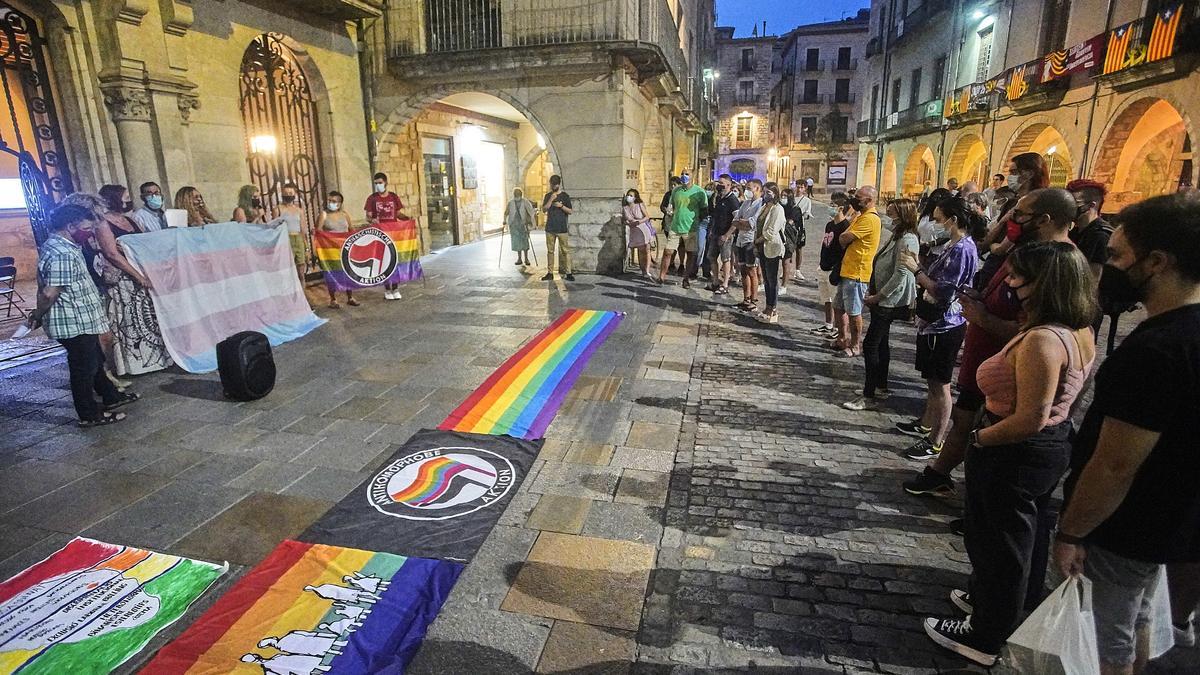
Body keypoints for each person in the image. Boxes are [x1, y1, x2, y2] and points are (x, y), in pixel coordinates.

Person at [925, 241, 1097, 667]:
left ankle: (985, 634)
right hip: (1040, 448)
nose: (1011, 286)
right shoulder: (1078, 330)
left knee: (1001, 546)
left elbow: (1031, 417)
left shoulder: (1043, 340)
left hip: (1014, 450)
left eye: (1018, 278)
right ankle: (997, 606)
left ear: (1044, 285)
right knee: (1024, 541)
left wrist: (980, 440)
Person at [1053, 192, 1200, 673]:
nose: (1107, 266)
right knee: (1137, 619)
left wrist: (1072, 531)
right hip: (1171, 517)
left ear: (1156, 261)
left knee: (1103, 637)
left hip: (1128, 523)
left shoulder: (1157, 349)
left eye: (1117, 256)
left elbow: (1115, 464)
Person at [903, 188, 1078, 499]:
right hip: (985, 357)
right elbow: (991, 251)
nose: (1011, 220)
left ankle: (962, 484)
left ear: (1045, 220)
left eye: (1019, 215)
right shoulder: (1023, 250)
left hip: (1009, 370)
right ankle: (943, 476)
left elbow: (1041, 332)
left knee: (977, 429)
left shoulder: (1055, 264)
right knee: (964, 417)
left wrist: (983, 318)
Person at [27, 204, 138, 427]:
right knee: (83, 368)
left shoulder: (66, 246)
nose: (89, 232)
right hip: (72, 321)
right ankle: (89, 414)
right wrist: (38, 315)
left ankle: (110, 396)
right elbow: (49, 293)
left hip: (81, 318)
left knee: (95, 360)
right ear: (70, 226)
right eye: (86, 228)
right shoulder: (62, 253)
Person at [896, 197, 980, 459]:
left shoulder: (963, 248)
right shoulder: (952, 244)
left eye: (938, 218)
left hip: (946, 323)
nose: (934, 223)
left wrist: (916, 270)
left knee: (941, 384)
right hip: (933, 322)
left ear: (953, 220)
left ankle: (936, 439)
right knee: (931, 381)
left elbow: (943, 290)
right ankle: (926, 422)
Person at [844, 198, 920, 411]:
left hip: (890, 300)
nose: (889, 217)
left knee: (871, 345)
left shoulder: (908, 239)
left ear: (902, 215)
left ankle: (869, 394)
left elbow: (901, 273)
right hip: (883, 297)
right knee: (882, 343)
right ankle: (880, 385)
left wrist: (879, 296)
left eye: (893, 213)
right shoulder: (898, 235)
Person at [95, 184, 169, 376]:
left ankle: (156, 359)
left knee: (147, 319)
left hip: (141, 275)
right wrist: (138, 276)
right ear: (114, 199)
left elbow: (144, 244)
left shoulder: (130, 220)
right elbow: (112, 253)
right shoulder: (103, 223)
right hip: (123, 280)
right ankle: (134, 363)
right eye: (125, 196)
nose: (129, 200)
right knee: (129, 322)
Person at [834, 186, 882, 357]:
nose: (855, 199)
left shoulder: (870, 219)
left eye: (859, 197)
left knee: (854, 312)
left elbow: (845, 237)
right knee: (838, 307)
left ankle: (855, 345)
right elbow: (845, 233)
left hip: (857, 272)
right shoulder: (860, 216)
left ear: (869, 200)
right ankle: (842, 338)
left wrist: (843, 237)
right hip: (847, 269)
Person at [1066, 179, 1113, 334]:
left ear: (1091, 205)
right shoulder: (1077, 230)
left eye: (1074, 203)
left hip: (1083, 307)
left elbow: (1093, 280)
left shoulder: (1100, 236)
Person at [810, 191, 850, 338]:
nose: (830, 207)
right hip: (824, 266)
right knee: (826, 299)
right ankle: (828, 325)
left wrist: (837, 268)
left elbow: (844, 251)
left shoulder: (845, 226)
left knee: (837, 303)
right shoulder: (829, 225)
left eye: (832, 205)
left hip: (834, 269)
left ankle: (841, 331)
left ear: (841, 208)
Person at [365, 172, 408, 299]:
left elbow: (398, 213)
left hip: (393, 234)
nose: (378, 185)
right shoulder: (372, 198)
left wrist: (407, 219)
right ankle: (387, 289)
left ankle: (395, 288)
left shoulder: (393, 197)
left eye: (380, 183)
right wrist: (371, 220)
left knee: (394, 261)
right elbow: (368, 215)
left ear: (386, 183)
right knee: (384, 262)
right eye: (376, 183)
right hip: (380, 235)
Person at [659, 171, 706, 287]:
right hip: (675, 227)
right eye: (682, 173)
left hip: (691, 228)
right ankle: (661, 276)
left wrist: (697, 221)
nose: (684, 176)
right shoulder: (676, 191)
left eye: (687, 174)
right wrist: (669, 212)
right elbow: (671, 206)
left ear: (692, 176)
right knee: (668, 251)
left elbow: (704, 210)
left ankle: (686, 278)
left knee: (690, 253)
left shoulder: (699, 192)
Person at [319, 190, 358, 309]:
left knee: (348, 272)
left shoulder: (345, 215)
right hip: (330, 251)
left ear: (340, 203)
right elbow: (319, 231)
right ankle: (333, 299)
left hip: (345, 249)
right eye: (329, 201)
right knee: (331, 273)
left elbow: (351, 229)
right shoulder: (324, 215)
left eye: (334, 201)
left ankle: (350, 297)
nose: (331, 203)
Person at [754, 182, 786, 324]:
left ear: (775, 194)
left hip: (771, 247)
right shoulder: (763, 207)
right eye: (765, 192)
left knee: (772, 280)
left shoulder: (778, 209)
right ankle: (767, 307)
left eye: (769, 193)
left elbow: (771, 231)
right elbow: (758, 225)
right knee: (766, 279)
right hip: (762, 247)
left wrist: (758, 241)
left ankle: (773, 308)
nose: (766, 195)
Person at [731, 179, 764, 311]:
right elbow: (735, 221)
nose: (747, 190)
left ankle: (754, 300)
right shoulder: (745, 203)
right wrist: (741, 222)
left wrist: (742, 222)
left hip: (751, 240)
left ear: (757, 188)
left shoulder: (760, 204)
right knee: (743, 270)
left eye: (749, 188)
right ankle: (746, 298)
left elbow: (752, 223)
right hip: (741, 239)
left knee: (752, 271)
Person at [706, 174, 740, 295]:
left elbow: (736, 220)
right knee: (711, 256)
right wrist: (712, 231)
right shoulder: (719, 197)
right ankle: (715, 281)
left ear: (728, 185)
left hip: (726, 235)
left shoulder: (733, 200)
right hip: (716, 232)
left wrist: (727, 235)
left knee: (726, 259)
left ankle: (725, 284)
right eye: (718, 183)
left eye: (721, 183)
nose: (719, 185)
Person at [541, 174, 574, 282]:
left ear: (559, 184)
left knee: (565, 251)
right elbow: (544, 210)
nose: (553, 186)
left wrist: (562, 206)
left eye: (555, 185)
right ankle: (550, 273)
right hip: (550, 228)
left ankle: (568, 272)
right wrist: (551, 199)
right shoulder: (547, 196)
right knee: (550, 251)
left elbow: (570, 211)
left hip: (562, 228)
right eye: (552, 184)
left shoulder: (565, 196)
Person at [273, 182, 307, 285]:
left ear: (295, 194)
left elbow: (303, 229)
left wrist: (307, 248)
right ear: (282, 194)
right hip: (286, 240)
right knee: (288, 269)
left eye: (290, 192)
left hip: (298, 240)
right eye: (286, 193)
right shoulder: (278, 209)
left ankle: (303, 295)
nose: (288, 195)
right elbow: (275, 227)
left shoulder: (299, 210)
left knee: (301, 270)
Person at [781, 185, 812, 292]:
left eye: (785, 196)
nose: (783, 198)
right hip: (780, 236)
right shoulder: (780, 207)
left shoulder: (797, 208)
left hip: (791, 236)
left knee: (791, 256)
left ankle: (788, 281)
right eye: (782, 195)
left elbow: (790, 222)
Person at [621, 188, 654, 279]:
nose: (629, 197)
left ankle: (647, 270)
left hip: (643, 228)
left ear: (635, 197)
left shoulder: (639, 205)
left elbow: (647, 216)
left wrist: (639, 222)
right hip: (634, 230)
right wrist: (628, 223)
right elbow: (624, 220)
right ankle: (643, 270)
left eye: (631, 195)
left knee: (646, 249)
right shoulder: (625, 208)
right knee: (640, 250)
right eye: (628, 195)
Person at [916, 188, 953, 259]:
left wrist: (930, 244)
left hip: (938, 254)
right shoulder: (925, 215)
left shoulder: (947, 218)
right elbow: (918, 230)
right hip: (922, 253)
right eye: (935, 197)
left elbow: (947, 235)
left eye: (939, 198)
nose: (935, 200)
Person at [506, 187, 535, 266]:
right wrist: (504, 221)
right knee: (517, 242)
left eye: (518, 194)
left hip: (523, 225)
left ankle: (526, 258)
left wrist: (530, 222)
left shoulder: (525, 202)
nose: (517, 196)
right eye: (516, 194)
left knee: (525, 242)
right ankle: (519, 258)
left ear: (521, 195)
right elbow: (506, 212)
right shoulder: (511, 203)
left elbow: (531, 212)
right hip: (514, 225)